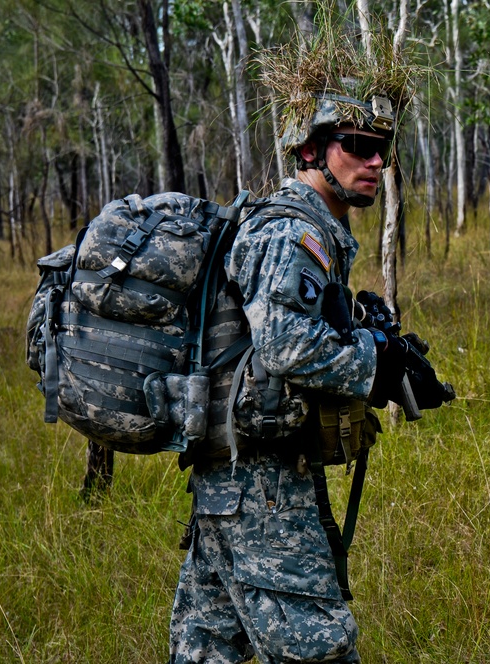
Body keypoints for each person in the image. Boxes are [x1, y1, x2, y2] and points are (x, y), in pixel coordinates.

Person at [167, 88, 418, 663]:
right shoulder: (291, 232)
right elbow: (285, 346)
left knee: (207, 649)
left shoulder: (311, 228)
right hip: (263, 485)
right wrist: (372, 363)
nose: (376, 161)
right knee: (317, 649)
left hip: (238, 477)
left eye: (383, 148)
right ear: (309, 151)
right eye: (358, 146)